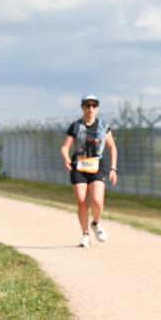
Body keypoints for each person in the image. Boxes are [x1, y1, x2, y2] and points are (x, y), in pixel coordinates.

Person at [60, 95, 118, 247]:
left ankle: (96, 223)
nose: (90, 108)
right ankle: (85, 234)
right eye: (87, 105)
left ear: (97, 108)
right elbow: (65, 147)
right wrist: (66, 158)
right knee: (81, 201)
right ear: (82, 107)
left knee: (97, 201)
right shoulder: (75, 126)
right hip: (79, 166)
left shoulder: (104, 126)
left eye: (94, 105)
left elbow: (112, 148)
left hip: (97, 166)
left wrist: (113, 168)